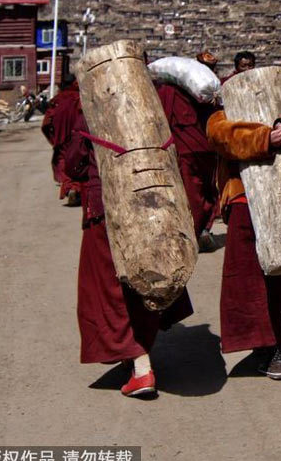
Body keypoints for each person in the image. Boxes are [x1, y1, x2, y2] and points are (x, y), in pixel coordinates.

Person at [63, 110, 194, 398]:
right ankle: (137, 358)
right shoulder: (148, 101)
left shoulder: (89, 107)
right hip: (152, 203)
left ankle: (141, 367)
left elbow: (73, 165)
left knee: (112, 288)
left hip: (106, 210)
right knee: (145, 274)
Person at [206, 104, 281, 379]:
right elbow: (219, 136)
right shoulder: (223, 113)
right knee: (247, 276)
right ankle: (267, 346)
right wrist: (264, 138)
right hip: (244, 197)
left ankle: (273, 344)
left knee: (280, 276)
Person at [156, 80, 218, 249]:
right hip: (206, 147)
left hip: (187, 150)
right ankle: (202, 229)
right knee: (205, 191)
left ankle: (194, 232)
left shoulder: (167, 91)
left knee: (192, 193)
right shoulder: (204, 93)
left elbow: (162, 119)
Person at [41, 74, 82, 205]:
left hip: (61, 140)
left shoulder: (56, 100)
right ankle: (76, 188)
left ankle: (70, 187)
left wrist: (53, 139)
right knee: (79, 163)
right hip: (79, 138)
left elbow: (46, 123)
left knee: (63, 162)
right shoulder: (80, 99)